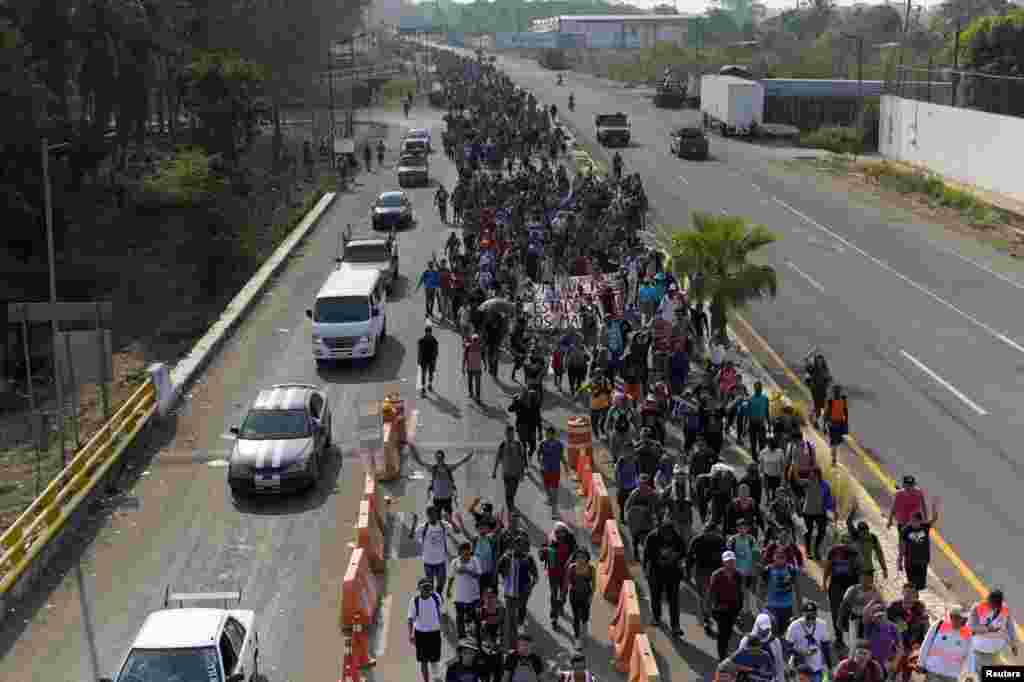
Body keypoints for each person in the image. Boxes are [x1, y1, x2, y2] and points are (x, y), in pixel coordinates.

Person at [644, 518, 687, 637]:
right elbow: (647, 555)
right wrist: (647, 570)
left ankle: (675, 626)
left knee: (673, 600)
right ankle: (656, 617)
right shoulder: (652, 537)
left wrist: (675, 558)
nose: (668, 536)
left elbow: (683, 552)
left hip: (673, 573)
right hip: (656, 572)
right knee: (655, 595)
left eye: (669, 534)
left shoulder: (677, 538)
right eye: (665, 533)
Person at [496, 534, 538, 649]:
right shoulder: (506, 557)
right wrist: (502, 582)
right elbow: (497, 570)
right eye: (517, 544)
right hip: (509, 593)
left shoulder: (528, 558)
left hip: (523, 592)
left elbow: (536, 575)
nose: (520, 547)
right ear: (513, 545)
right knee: (510, 617)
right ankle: (511, 643)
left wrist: (530, 586)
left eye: (522, 544)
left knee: (521, 610)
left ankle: (519, 636)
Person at [823, 534, 862, 649]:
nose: (845, 544)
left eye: (848, 542)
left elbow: (860, 571)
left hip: (851, 585)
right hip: (836, 585)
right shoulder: (833, 551)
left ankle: (855, 638)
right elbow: (828, 567)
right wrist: (824, 582)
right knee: (836, 611)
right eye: (843, 541)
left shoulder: (855, 553)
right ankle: (839, 639)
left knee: (853, 612)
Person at [967, 588, 1019, 674]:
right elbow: (970, 626)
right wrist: (987, 629)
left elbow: (1010, 627)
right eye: (989, 601)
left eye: (993, 603)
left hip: (995, 649)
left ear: (998, 603)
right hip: (979, 649)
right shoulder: (978, 607)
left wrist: (1013, 644)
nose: (990, 604)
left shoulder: (1005, 609)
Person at [887, 584, 931, 682]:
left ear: (916, 596)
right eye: (906, 593)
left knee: (907, 672)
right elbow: (885, 626)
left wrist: (923, 644)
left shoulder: (920, 607)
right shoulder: (893, 607)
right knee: (893, 671)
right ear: (902, 593)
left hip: (913, 645)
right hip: (897, 645)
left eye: (911, 594)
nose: (908, 597)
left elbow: (926, 627)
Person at [707, 551, 745, 660]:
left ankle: (723, 650)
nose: (731, 564)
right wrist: (709, 609)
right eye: (728, 562)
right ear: (723, 562)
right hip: (720, 608)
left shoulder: (738, 575)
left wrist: (740, 608)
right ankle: (722, 656)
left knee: (728, 632)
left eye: (732, 561)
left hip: (734, 608)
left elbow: (741, 592)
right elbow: (711, 592)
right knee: (723, 632)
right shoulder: (716, 575)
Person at [917, 606, 972, 682]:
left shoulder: (968, 633)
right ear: (951, 616)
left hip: (952, 674)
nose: (957, 621)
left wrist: (969, 674)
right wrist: (920, 663)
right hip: (933, 670)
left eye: (961, 618)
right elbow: (926, 644)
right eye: (955, 617)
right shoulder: (938, 625)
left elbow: (969, 655)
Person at [689, 523, 727, 629]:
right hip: (703, 571)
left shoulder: (719, 540)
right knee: (705, 595)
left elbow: (726, 557)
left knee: (709, 595)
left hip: (713, 571)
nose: (711, 534)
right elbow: (690, 556)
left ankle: (708, 617)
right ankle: (707, 617)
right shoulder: (698, 540)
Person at [539, 522, 576, 628]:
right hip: (553, 573)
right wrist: (544, 551)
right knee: (554, 594)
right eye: (558, 532)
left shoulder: (571, 542)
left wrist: (572, 560)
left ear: (566, 533)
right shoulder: (550, 540)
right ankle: (554, 616)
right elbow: (541, 555)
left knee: (563, 595)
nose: (560, 535)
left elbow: (576, 555)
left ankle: (560, 605)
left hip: (566, 574)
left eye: (562, 532)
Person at [785, 602, 834, 682]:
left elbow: (826, 648)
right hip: (801, 667)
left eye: (813, 616)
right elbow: (787, 648)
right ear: (803, 614)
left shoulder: (822, 625)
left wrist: (830, 667)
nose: (811, 619)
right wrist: (802, 652)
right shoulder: (794, 627)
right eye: (808, 617)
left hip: (817, 668)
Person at [409, 577, 445, 682]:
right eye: (424, 587)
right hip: (420, 634)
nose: (427, 590)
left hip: (435, 633)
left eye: (429, 587)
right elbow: (410, 618)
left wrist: (442, 628)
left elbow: (441, 613)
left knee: (435, 660)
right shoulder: (415, 600)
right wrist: (411, 634)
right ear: (419, 589)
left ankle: (436, 678)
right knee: (423, 661)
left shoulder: (436, 596)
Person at [415, 504, 455, 598]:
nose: (432, 516)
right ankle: (434, 600)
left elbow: (457, 531)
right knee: (430, 585)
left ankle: (439, 595)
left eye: (434, 513)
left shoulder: (443, 525)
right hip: (428, 562)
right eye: (430, 514)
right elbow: (412, 536)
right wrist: (414, 524)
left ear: (437, 514)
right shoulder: (423, 527)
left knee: (441, 583)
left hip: (441, 561)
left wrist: (451, 520)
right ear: (427, 515)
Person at [733, 613, 787, 682]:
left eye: (767, 629)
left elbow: (779, 664)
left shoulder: (775, 641)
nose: (765, 631)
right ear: (757, 626)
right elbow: (739, 663)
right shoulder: (746, 640)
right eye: (762, 629)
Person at [795, 467, 834, 561]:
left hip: (820, 512)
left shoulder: (825, 485)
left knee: (822, 531)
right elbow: (797, 481)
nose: (811, 475)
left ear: (818, 474)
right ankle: (808, 551)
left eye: (813, 473)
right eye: (810, 473)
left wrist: (831, 510)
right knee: (808, 531)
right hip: (808, 511)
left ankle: (816, 549)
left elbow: (829, 498)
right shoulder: (808, 482)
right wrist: (794, 469)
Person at [762, 546, 802, 635]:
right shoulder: (767, 570)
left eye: (782, 557)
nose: (780, 560)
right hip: (771, 607)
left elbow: (797, 589)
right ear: (773, 557)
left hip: (787, 607)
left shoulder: (791, 570)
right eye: (777, 557)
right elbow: (760, 587)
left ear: (786, 558)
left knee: (784, 634)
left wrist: (800, 609)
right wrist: (761, 605)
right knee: (772, 633)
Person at [898, 506, 940, 592]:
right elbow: (902, 546)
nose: (912, 522)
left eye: (915, 521)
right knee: (912, 585)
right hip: (910, 561)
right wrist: (900, 560)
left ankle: (915, 598)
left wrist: (934, 506)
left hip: (922, 561)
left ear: (920, 521)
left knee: (920, 585)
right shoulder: (905, 530)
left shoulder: (925, 527)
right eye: (911, 520)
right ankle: (913, 598)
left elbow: (935, 518)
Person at [839, 569, 883, 649]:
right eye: (864, 578)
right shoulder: (853, 590)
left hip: (869, 621)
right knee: (853, 643)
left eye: (869, 578)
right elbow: (844, 605)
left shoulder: (875, 592)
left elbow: (881, 607)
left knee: (868, 644)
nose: (866, 581)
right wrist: (840, 620)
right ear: (860, 579)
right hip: (855, 618)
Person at [449, 543, 484, 640]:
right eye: (463, 553)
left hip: (473, 596)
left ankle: (478, 637)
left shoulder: (475, 560)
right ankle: (462, 638)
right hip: (459, 597)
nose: (466, 555)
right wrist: (448, 590)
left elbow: (478, 575)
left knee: (476, 618)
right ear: (460, 552)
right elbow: (451, 577)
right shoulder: (455, 562)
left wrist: (467, 571)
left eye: (468, 552)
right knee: (460, 618)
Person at [426, 449, 473, 519]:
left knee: (448, 519)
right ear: (436, 458)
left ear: (443, 457)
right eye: (438, 457)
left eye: (440, 457)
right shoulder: (433, 468)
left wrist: (468, 456)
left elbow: (461, 462)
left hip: (447, 499)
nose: (439, 459)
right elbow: (420, 462)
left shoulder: (448, 468)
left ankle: (448, 526)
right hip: (437, 499)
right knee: (437, 519)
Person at [845, 507, 888, 580]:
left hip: (859, 569)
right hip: (864, 569)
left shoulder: (857, 536)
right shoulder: (872, 537)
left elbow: (848, 522)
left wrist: (853, 510)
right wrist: (884, 569)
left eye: (866, 532)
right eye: (864, 532)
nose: (865, 534)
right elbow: (880, 554)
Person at [493, 426, 527, 513]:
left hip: (516, 473)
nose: (510, 436)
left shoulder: (518, 445)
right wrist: (494, 471)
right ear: (506, 434)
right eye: (508, 434)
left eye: (511, 434)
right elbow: (498, 458)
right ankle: (510, 510)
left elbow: (522, 459)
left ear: (514, 434)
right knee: (508, 493)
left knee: (512, 492)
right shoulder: (503, 445)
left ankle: (511, 507)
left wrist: (522, 473)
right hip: (506, 473)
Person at [861, 600, 902, 672]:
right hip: (871, 662)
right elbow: (865, 613)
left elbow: (900, 648)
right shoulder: (869, 626)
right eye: (876, 616)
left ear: (885, 614)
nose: (879, 619)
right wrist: (872, 601)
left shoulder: (893, 627)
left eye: (881, 616)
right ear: (872, 617)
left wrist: (895, 662)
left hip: (887, 662)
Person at [565, 548, 595, 642]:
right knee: (576, 617)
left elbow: (594, 584)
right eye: (578, 557)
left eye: (583, 557)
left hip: (586, 595)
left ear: (587, 558)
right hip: (574, 595)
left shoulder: (591, 569)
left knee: (585, 615)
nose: (580, 559)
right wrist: (563, 594)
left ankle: (584, 627)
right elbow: (567, 582)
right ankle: (577, 637)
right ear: (575, 558)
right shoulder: (571, 568)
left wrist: (591, 596)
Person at [538, 426, 566, 512]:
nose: (547, 435)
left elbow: (561, 456)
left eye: (549, 434)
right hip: (545, 470)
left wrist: (565, 465)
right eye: (546, 434)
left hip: (555, 470)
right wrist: (540, 463)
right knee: (546, 487)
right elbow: (539, 454)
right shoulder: (542, 443)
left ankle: (554, 511)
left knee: (554, 491)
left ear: (553, 435)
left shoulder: (559, 445)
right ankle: (549, 498)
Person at [824, 384, 849, 466]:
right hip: (840, 424)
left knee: (834, 442)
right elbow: (846, 412)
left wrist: (824, 425)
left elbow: (826, 414)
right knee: (836, 442)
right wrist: (846, 424)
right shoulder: (843, 400)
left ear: (834, 393)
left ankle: (833, 456)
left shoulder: (831, 401)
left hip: (833, 424)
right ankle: (834, 457)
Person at [746, 382, 770, 460]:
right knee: (753, 443)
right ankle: (754, 458)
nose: (758, 389)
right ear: (754, 388)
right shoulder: (750, 399)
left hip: (761, 424)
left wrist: (769, 424)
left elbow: (767, 411)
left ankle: (761, 458)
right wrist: (746, 425)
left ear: (761, 389)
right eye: (757, 388)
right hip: (752, 423)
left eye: (759, 388)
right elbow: (748, 413)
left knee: (762, 443)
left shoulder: (765, 399)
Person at [419, 324, 440, 396]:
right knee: (423, 374)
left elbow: (436, 351)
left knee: (431, 374)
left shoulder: (434, 341)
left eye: (429, 332)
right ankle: (423, 388)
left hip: (431, 360)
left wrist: (435, 360)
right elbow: (419, 351)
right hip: (424, 360)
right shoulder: (421, 340)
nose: (428, 333)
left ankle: (430, 384)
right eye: (427, 332)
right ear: (425, 332)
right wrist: (419, 360)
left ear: (431, 332)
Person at [464, 334, 484, 402]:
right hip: (476, 368)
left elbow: (464, 358)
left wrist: (463, 367)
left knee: (472, 382)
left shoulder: (469, 347)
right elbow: (483, 357)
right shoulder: (478, 347)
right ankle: (475, 395)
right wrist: (485, 365)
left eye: (476, 340)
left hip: (472, 368)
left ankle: (472, 394)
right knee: (476, 383)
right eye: (474, 340)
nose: (475, 341)